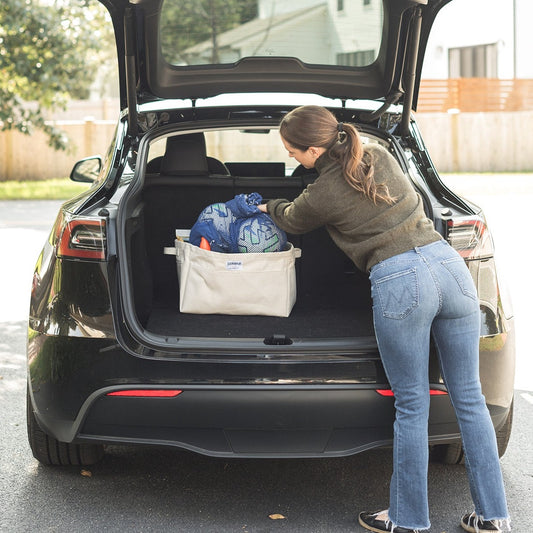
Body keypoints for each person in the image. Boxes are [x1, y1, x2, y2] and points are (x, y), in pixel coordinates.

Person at [257, 105, 510, 533]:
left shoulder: (321, 192)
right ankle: (494, 518)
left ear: (315, 148)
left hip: (400, 280)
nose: (291, 159)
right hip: (449, 268)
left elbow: (292, 219)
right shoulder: (379, 154)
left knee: (412, 405)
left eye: (292, 152)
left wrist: (269, 206)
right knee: (469, 398)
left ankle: (408, 519)